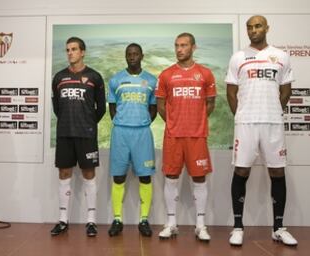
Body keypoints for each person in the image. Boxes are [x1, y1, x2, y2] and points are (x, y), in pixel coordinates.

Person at [225, 15, 297, 246]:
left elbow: (286, 91)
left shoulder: (281, 56)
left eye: (257, 26)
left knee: (277, 172)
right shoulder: (238, 57)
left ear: (266, 28)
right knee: (241, 171)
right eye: (249, 27)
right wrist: (241, 114)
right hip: (246, 123)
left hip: (272, 123)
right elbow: (231, 92)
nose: (253, 30)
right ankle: (237, 227)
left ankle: (279, 228)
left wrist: (274, 110)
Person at [155, 33, 216, 241]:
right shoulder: (166, 75)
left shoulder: (205, 74)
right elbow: (161, 106)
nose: (179, 49)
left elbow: (210, 104)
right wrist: (174, 122)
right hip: (173, 136)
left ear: (193, 47)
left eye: (184, 45)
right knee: (171, 177)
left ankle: (200, 225)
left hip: (197, 136)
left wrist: (196, 121)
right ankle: (171, 223)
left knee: (199, 178)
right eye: (177, 46)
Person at [50, 37, 106, 237]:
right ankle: (63, 220)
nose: (70, 53)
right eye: (67, 50)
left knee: (88, 175)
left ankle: (91, 221)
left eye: (74, 49)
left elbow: (101, 109)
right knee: (64, 174)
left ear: (83, 52)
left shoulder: (95, 77)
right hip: (65, 133)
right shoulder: (58, 78)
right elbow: (57, 108)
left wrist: (88, 123)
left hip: (86, 135)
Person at [107, 43, 157, 237]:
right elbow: (112, 108)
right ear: (125, 56)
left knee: (145, 176)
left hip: (142, 133)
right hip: (120, 133)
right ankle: (117, 219)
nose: (132, 57)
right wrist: (124, 122)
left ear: (142, 56)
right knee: (118, 176)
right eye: (129, 54)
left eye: (136, 54)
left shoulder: (151, 80)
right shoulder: (116, 79)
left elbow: (153, 108)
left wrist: (141, 122)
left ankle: (144, 220)